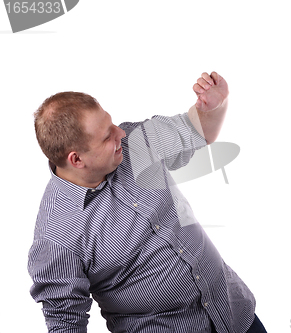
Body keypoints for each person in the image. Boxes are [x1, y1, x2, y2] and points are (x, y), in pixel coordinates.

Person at [28, 72, 267, 333]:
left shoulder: (135, 142)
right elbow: (66, 324)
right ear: (76, 160)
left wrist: (215, 106)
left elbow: (200, 132)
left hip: (233, 313)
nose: (120, 132)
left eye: (112, 124)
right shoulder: (55, 237)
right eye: (107, 136)